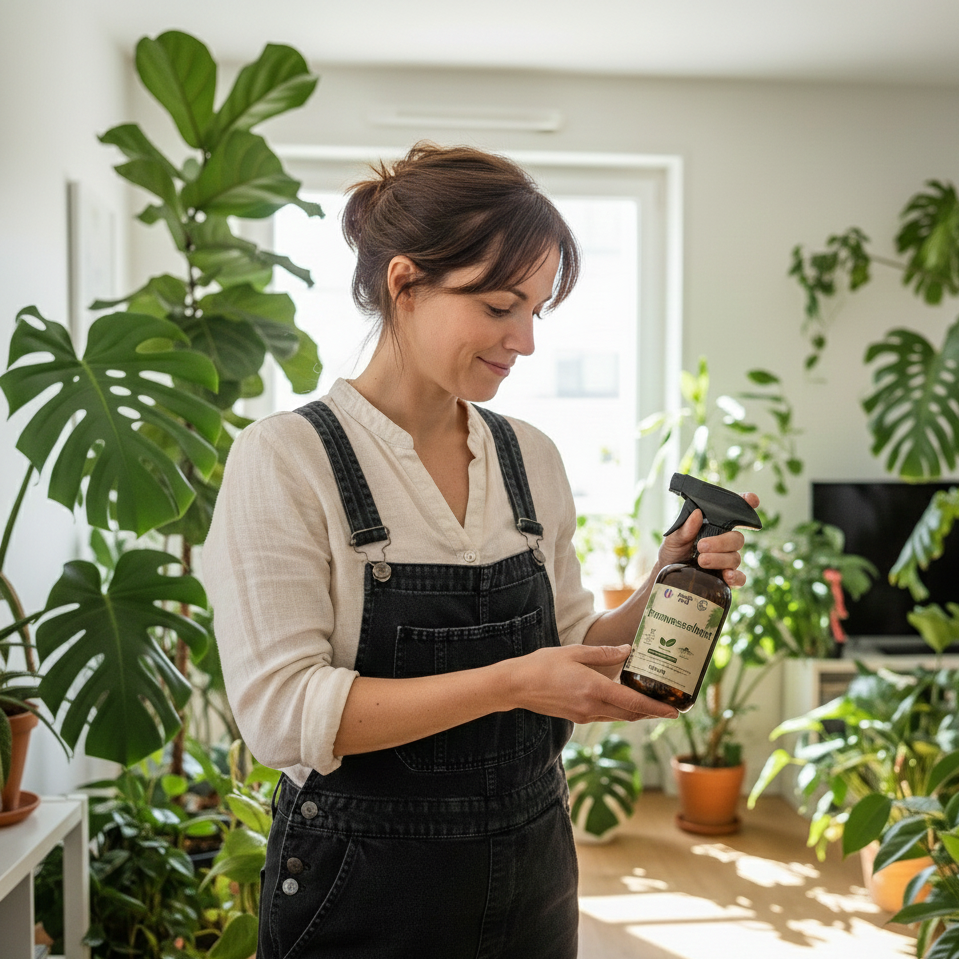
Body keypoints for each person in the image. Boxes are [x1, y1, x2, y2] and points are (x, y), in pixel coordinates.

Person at [204, 142, 758, 959]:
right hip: (362, 886)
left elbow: (575, 643)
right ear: (404, 284)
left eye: (535, 310)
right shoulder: (286, 459)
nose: (525, 340)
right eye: (500, 307)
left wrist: (663, 582)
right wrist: (509, 683)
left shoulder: (529, 456)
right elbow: (283, 714)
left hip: (534, 866)